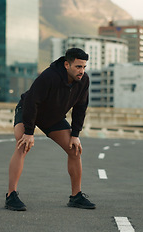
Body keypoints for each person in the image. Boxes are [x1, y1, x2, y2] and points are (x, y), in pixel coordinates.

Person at [5, 48, 96, 211]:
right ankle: (11, 195)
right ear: (67, 64)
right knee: (22, 145)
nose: (81, 71)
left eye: (84, 67)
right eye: (78, 67)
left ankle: (76, 196)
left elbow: (81, 107)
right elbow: (32, 102)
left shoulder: (83, 81)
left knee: (75, 150)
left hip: (52, 118)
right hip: (29, 111)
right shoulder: (50, 76)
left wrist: (75, 134)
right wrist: (29, 132)